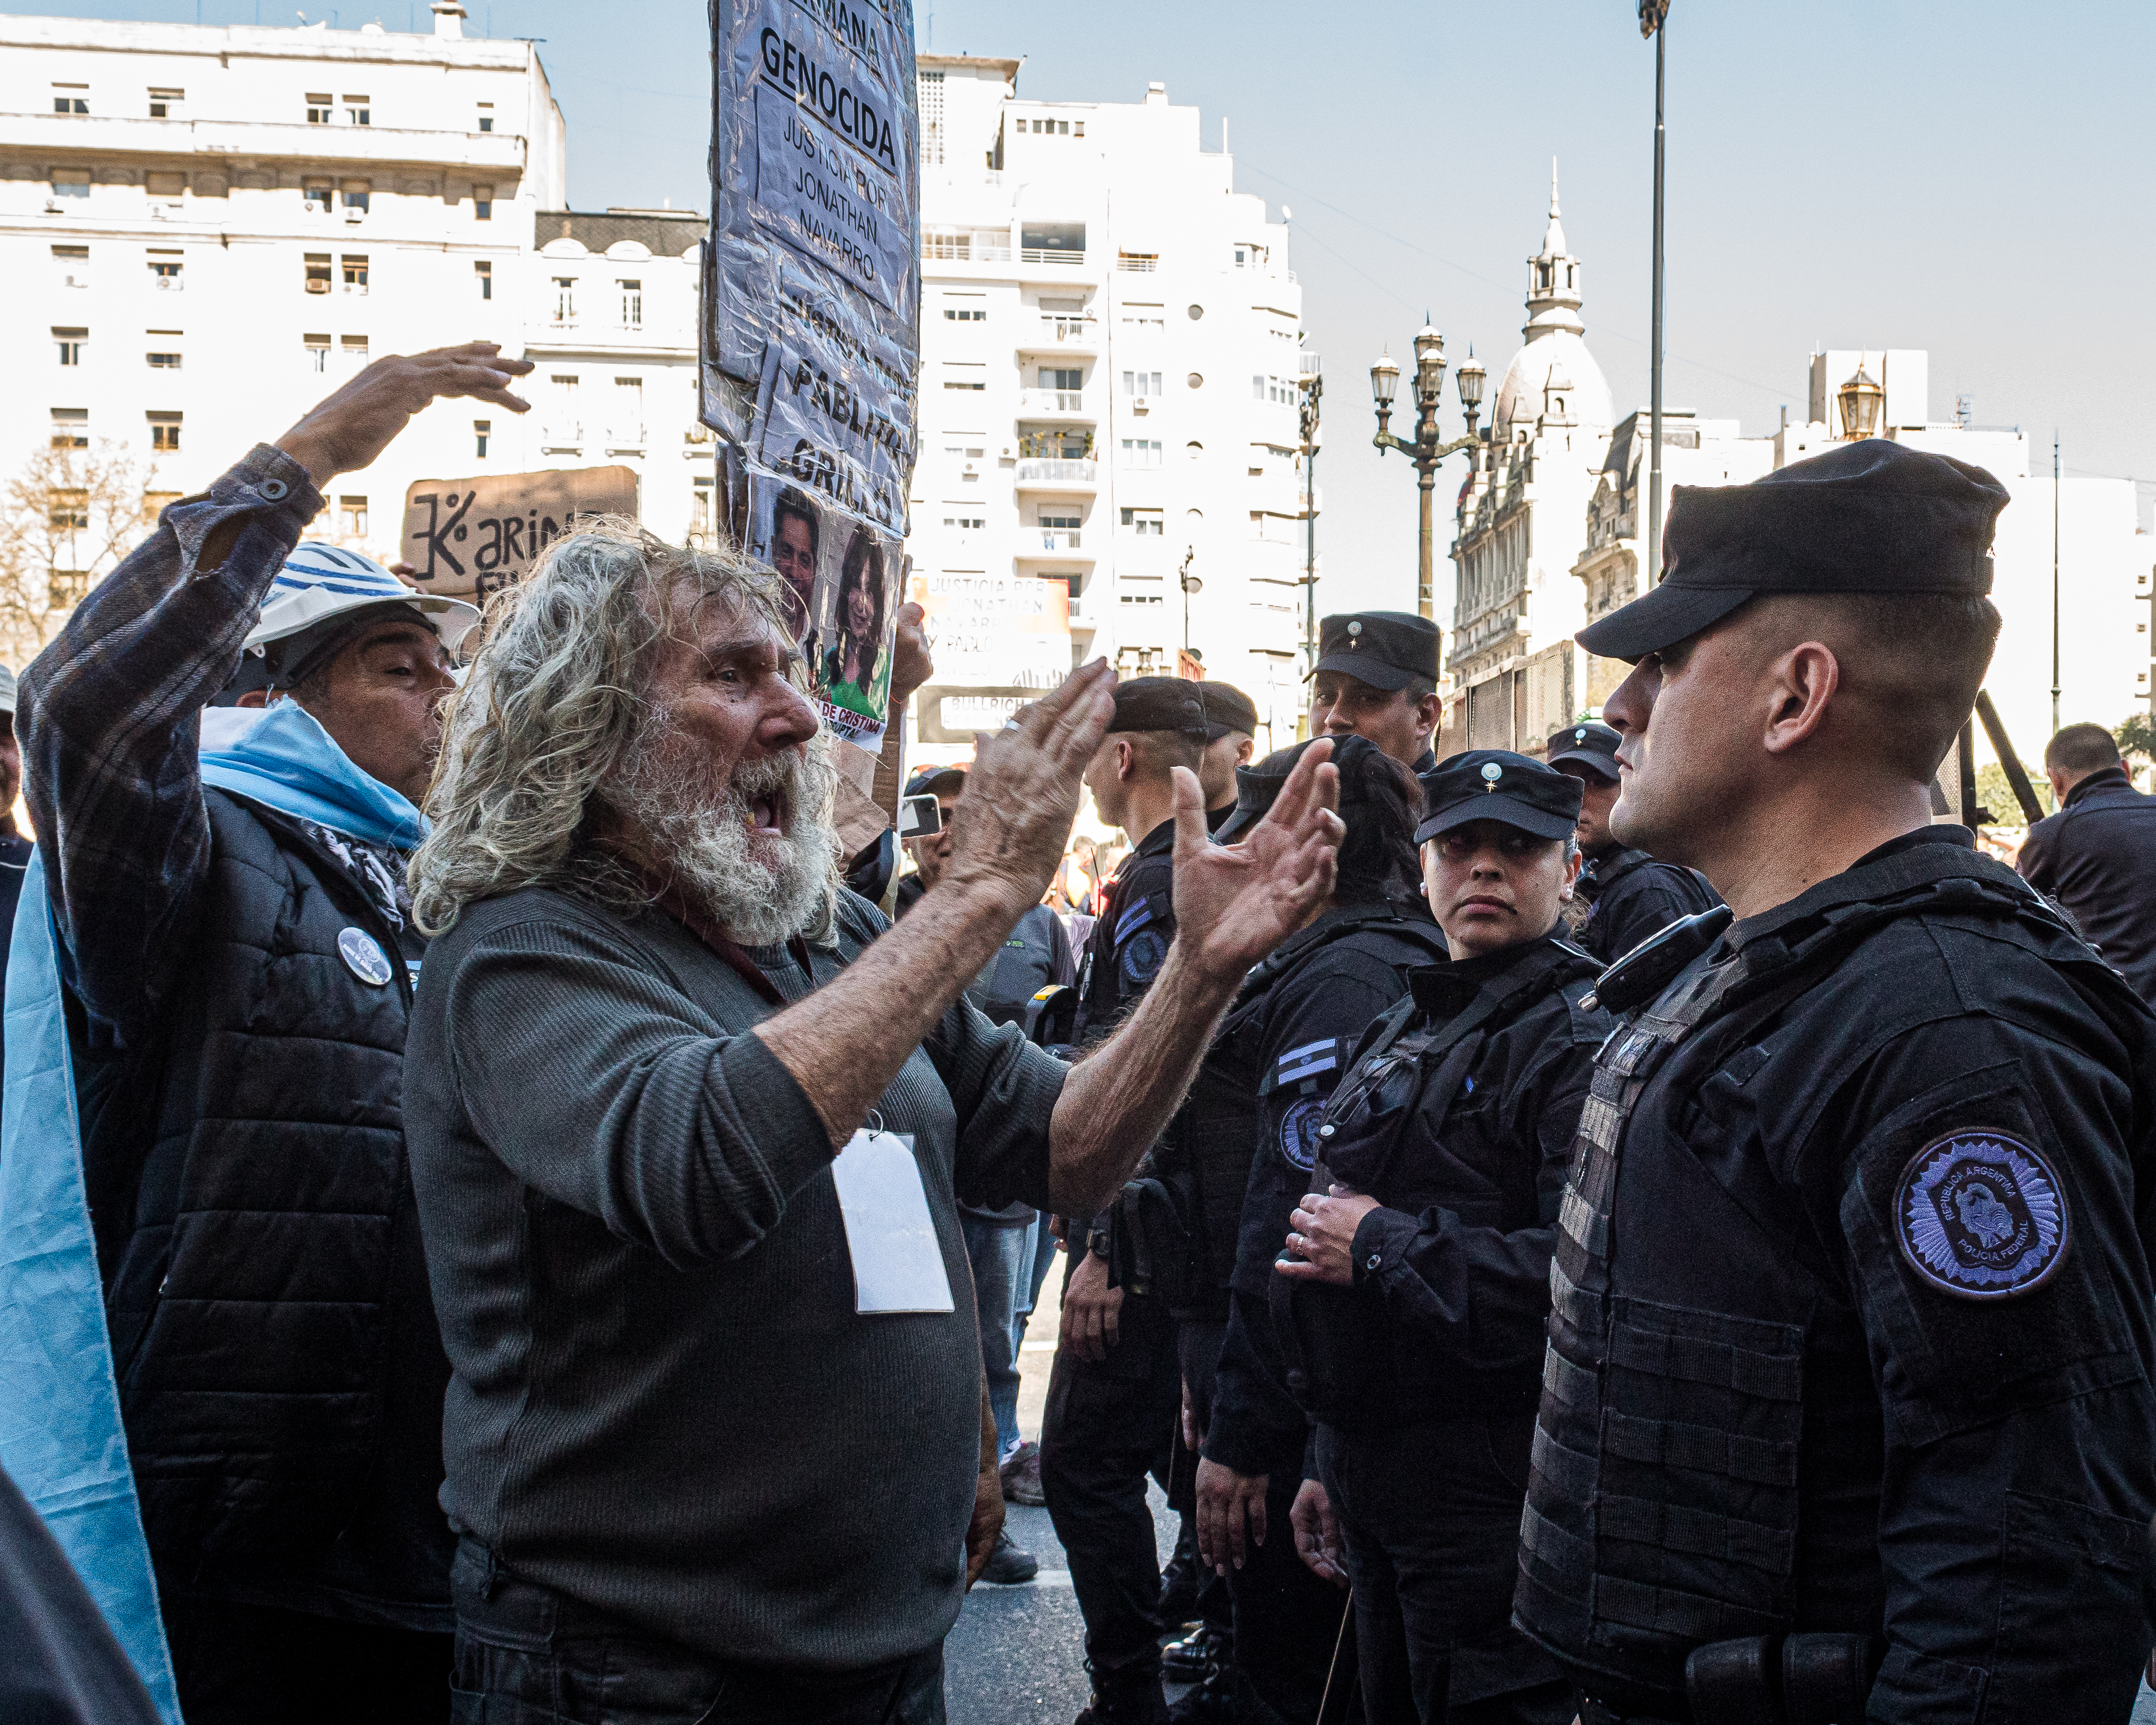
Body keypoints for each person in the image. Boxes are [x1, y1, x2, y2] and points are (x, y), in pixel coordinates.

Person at [399, 531, 1344, 1725]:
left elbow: (1067, 1144)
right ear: (587, 723)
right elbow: (697, 1159)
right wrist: (971, 894)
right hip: (636, 1667)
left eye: (792, 672)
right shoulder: (524, 949)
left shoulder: (827, 937)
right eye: (734, 676)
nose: (797, 715)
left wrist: (1197, 976)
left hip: (882, 1644)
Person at [1513, 438, 2156, 1724]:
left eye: (1664, 660)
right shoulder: (1752, 964)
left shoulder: (1946, 1028)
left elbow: (2025, 1569)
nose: (1621, 709)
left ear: (1794, 694)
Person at [13, 342, 529, 1724]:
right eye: (395, 666)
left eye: (447, 668)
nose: (444, 694)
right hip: (254, 1526)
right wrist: (309, 458)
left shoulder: (446, 883)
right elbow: (86, 709)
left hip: (443, 1515)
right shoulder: (202, 849)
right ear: (270, 691)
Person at [1274, 751, 1611, 1725]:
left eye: (1519, 848)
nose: (1486, 870)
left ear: (1569, 870)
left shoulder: (1580, 1037)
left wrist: (1383, 1245)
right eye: (1461, 846)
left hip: (1490, 1489)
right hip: (1377, 1469)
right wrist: (1324, 1457)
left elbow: (1582, 1281)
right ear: (1424, 866)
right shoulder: (1410, 1018)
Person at [1179, 735, 1446, 1724]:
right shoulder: (1346, 959)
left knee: (1294, 1682)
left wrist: (1247, 1433)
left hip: (1308, 1414)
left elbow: (1291, 1224)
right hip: (1308, 1396)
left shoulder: (1346, 978)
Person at [1045, 676, 1221, 1725]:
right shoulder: (1171, 872)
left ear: (1120, 760)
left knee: (1080, 1459)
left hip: (1144, 1235)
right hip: (1168, 1230)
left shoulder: (1162, 881)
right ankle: (1202, 1625)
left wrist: (1105, 1248)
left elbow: (1152, 1073)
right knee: (1174, 1446)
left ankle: (1130, 1688)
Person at [894, 759, 1075, 1585]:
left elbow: (1069, 1025)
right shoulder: (873, 917)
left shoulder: (1039, 925)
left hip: (1009, 1166)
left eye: (968, 815)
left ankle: (991, 1482)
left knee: (1000, 1332)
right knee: (929, 1330)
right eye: (934, 814)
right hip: (912, 1174)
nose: (949, 831)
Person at [1544, 719, 1720, 964]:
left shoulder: (1648, 889)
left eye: (1596, 782)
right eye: (1565, 784)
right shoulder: (1590, 876)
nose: (1577, 799)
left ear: (1628, 784)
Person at [2017, 722, 2156, 1002]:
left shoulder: (2053, 834)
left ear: (2055, 781)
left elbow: (2018, 915)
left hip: (2119, 1018)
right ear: (2125, 770)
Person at [1308, 611, 1444, 773]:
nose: (1334, 718)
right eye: (1325, 697)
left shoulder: (1455, 798)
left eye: (1367, 698)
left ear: (1425, 716)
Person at [822, 525, 892, 721]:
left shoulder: (886, 665)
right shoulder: (828, 663)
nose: (862, 604)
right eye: (855, 586)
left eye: (870, 591)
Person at [1197, 682, 1260, 834]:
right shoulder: (1163, 823)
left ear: (1243, 753)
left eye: (1201, 741)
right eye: (1179, 741)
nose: (1186, 752)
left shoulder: (1261, 831)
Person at [1054, 835, 1099, 915]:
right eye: (1093, 855)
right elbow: (1084, 909)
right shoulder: (1078, 875)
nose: (1093, 859)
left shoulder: (1059, 864)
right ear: (1087, 853)